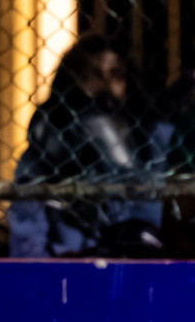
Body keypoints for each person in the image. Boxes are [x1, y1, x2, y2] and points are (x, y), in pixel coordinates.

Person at [10, 35, 169, 258]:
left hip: (126, 262)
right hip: (67, 262)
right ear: (75, 81)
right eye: (94, 75)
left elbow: (147, 219)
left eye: (116, 75)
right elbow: (27, 236)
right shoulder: (46, 145)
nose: (107, 85)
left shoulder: (146, 143)